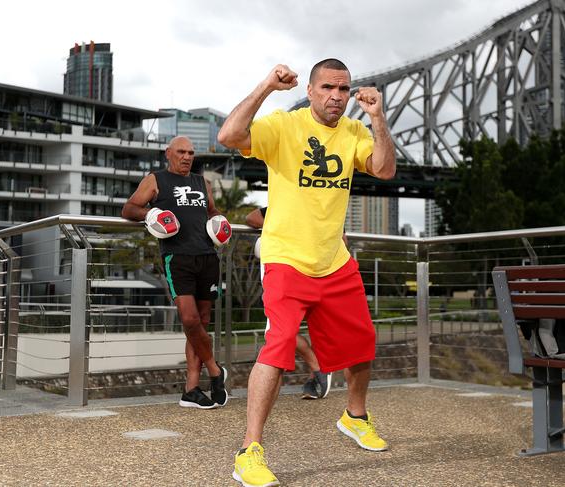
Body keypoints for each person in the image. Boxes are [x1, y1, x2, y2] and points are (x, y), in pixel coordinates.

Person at [218, 58, 396, 487]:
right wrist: (266, 85)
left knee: (362, 344)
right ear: (312, 91)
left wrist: (377, 118)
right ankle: (249, 451)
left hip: (334, 261)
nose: (337, 96)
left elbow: (386, 169)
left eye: (344, 89)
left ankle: (355, 417)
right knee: (278, 349)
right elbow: (229, 135)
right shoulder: (284, 125)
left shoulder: (354, 131)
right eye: (328, 88)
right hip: (286, 259)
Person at [121, 136, 228, 410]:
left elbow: (213, 212)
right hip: (177, 258)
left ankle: (191, 389)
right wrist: (151, 214)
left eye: (191, 152)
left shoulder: (201, 182)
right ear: (168, 153)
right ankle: (216, 371)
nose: (187, 157)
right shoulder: (156, 179)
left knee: (202, 322)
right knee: (190, 319)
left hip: (207, 257)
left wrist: (220, 224)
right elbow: (129, 208)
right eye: (181, 152)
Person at [246, 206, 331, 400]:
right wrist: (289, 231)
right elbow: (251, 218)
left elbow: (341, 240)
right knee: (278, 334)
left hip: (317, 274)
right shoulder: (282, 204)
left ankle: (318, 368)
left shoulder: (324, 205)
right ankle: (318, 369)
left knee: (281, 334)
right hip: (283, 275)